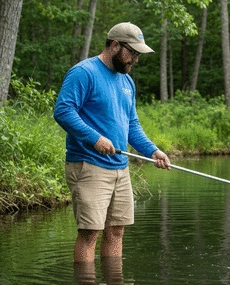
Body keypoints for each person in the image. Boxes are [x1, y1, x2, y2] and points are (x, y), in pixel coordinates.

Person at [54, 22, 170, 263]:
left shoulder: (127, 83)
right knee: (90, 233)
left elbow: (132, 126)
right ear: (115, 46)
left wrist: (153, 151)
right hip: (89, 165)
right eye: (133, 53)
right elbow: (64, 111)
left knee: (116, 231)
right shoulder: (84, 72)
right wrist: (94, 138)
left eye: (138, 54)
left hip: (120, 167)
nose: (135, 60)